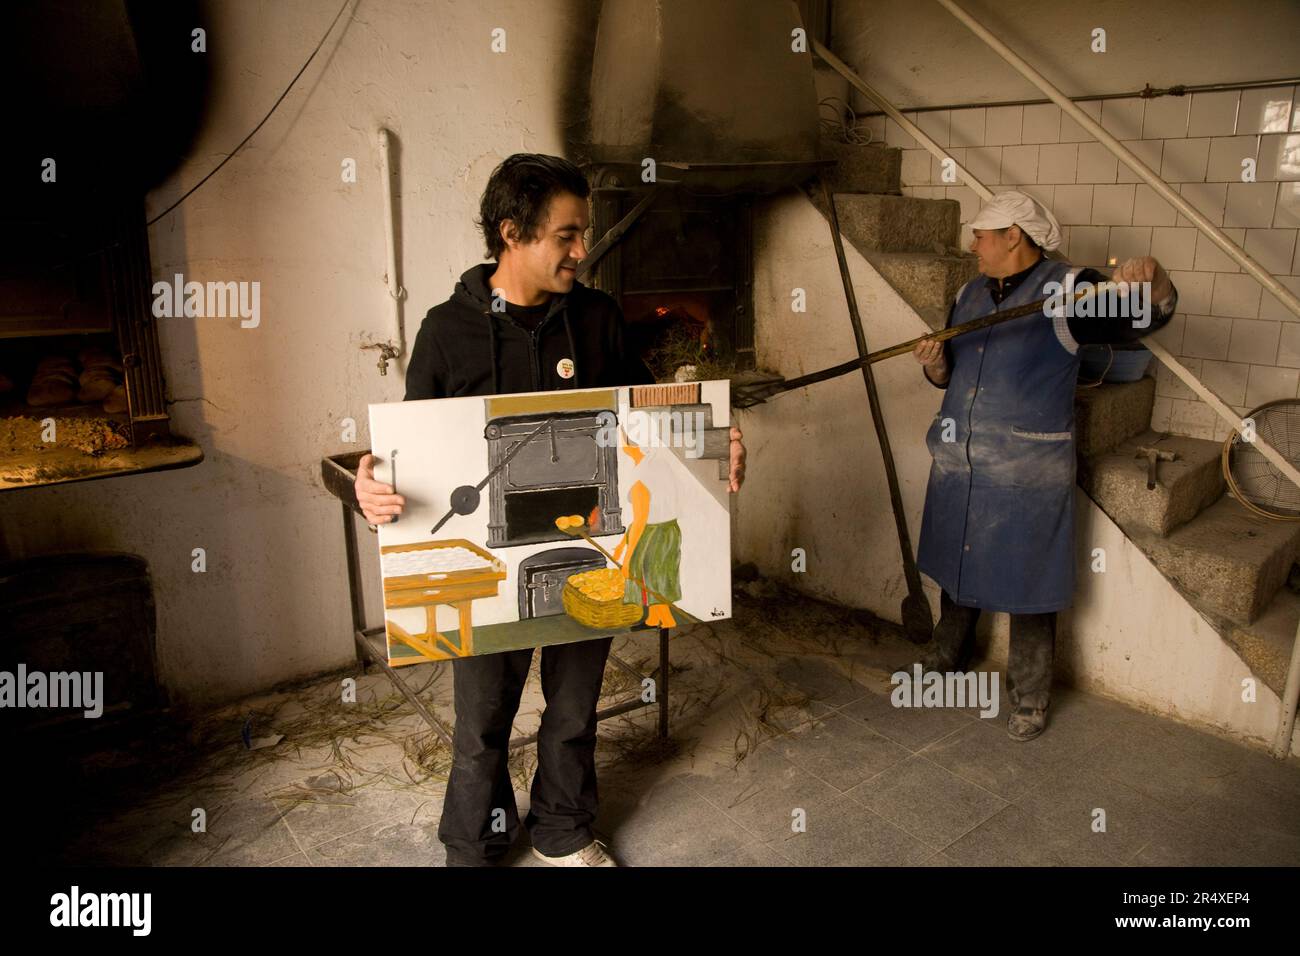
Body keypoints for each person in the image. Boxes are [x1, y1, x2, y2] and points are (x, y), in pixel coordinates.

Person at [354, 153, 747, 866]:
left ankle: (563, 830)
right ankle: (476, 841)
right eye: (567, 235)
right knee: (481, 721)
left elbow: (648, 413)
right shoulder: (447, 331)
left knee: (573, 709)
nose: (581, 249)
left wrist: (714, 442)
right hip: (487, 560)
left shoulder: (595, 319)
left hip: (590, 545)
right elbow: (413, 446)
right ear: (512, 233)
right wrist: (372, 480)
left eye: (583, 232)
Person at [910, 190, 1177, 742]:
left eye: (981, 234)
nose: (972, 244)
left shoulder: (1070, 289)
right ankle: (946, 657)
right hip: (962, 459)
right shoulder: (968, 293)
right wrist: (936, 367)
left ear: (1013, 236)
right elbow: (953, 376)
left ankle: (1029, 698)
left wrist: (1156, 281)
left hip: (1025, 468)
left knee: (1028, 582)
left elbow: (1142, 318)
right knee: (958, 565)